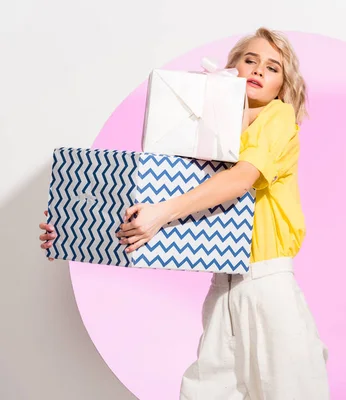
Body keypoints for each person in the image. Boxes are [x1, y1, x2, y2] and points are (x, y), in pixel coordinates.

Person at [38, 27, 330, 399]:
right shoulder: (207, 131)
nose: (258, 70)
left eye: (272, 68)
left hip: (266, 283)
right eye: (250, 60)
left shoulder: (277, 117)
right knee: (207, 391)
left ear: (281, 86)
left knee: (290, 389)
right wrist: (71, 227)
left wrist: (159, 213)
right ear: (232, 69)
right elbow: (158, 190)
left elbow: (240, 179)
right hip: (223, 282)